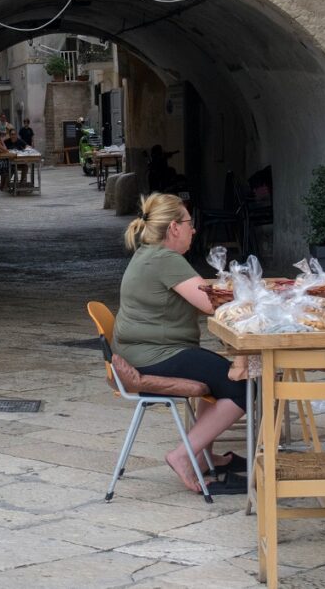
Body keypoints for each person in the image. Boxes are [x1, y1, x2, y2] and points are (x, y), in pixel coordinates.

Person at [113, 193, 247, 494]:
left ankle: (201, 454)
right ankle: (184, 454)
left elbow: (204, 291)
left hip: (141, 351)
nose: (194, 229)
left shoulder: (150, 253)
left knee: (212, 372)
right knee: (243, 385)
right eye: (189, 223)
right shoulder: (165, 259)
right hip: (153, 356)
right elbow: (210, 304)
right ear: (174, 227)